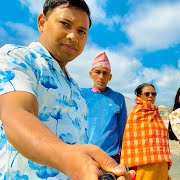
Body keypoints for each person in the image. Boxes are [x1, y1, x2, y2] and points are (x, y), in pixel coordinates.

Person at [0, 0, 134, 179]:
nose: (73, 36)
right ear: (42, 22)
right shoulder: (18, 58)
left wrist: (100, 172)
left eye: (82, 31)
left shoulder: (76, 90)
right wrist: (65, 156)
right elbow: (16, 114)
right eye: (65, 24)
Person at [81, 52, 127, 163]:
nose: (101, 77)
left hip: (111, 156)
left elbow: (122, 129)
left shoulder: (118, 98)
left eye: (105, 73)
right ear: (91, 74)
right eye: (97, 72)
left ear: (110, 77)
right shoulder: (81, 95)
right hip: (86, 155)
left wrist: (123, 157)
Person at [121, 83, 172, 180]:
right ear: (139, 95)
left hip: (161, 161)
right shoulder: (137, 112)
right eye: (147, 94)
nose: (151, 96)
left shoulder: (155, 112)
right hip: (143, 163)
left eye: (153, 94)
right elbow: (130, 138)